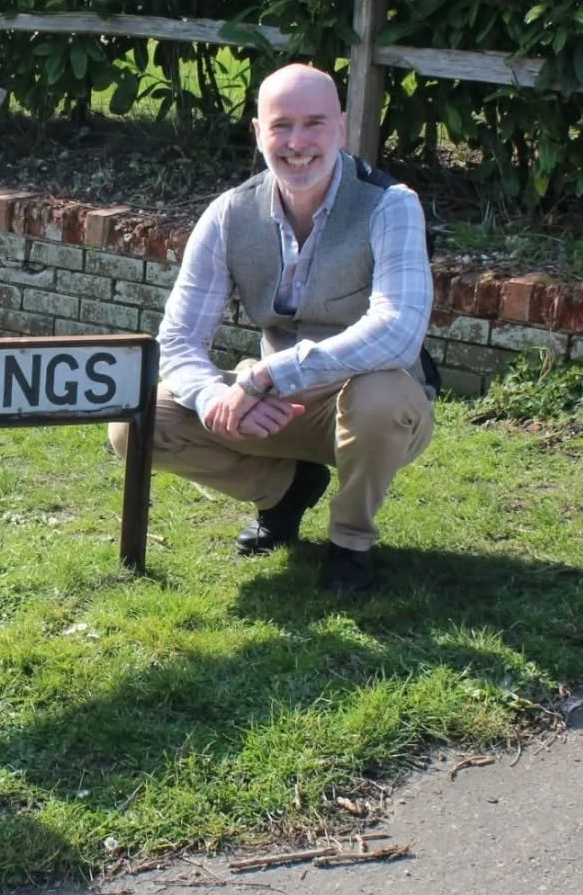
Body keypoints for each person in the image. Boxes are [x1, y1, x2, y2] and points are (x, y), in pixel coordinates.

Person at [111, 63, 435, 595]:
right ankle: (285, 492)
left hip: (376, 399)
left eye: (315, 123)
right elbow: (178, 338)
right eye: (281, 125)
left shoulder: (391, 204)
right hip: (282, 402)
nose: (298, 142)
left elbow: (398, 330)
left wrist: (265, 376)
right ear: (258, 132)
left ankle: (351, 543)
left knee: (379, 398)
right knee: (138, 424)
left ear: (342, 127)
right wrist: (215, 395)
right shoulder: (228, 213)